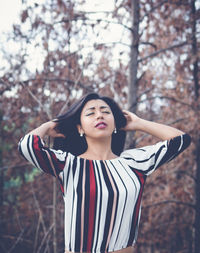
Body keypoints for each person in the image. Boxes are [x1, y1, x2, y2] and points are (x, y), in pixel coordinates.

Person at [18, 93, 191, 253]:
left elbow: (180, 140)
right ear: (80, 128)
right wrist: (49, 126)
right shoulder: (69, 164)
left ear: (115, 123)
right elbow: (27, 147)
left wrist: (139, 124)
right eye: (90, 113)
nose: (99, 115)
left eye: (105, 111)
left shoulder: (134, 162)